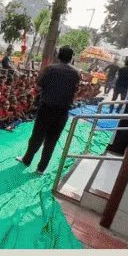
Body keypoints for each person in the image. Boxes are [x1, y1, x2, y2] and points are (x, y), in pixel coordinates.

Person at [17, 46, 81, 174]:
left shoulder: (51, 69)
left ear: (58, 55)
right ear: (71, 57)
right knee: (51, 140)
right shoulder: (77, 73)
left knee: (37, 136)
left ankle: (27, 160)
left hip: (47, 108)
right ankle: (41, 168)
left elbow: (38, 87)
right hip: (63, 112)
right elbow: (76, 91)